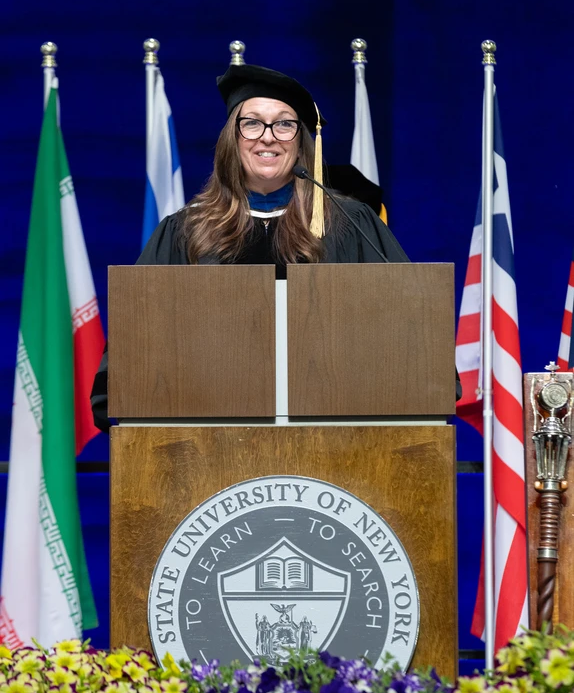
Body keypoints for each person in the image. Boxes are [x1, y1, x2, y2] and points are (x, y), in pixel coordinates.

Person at [91, 63, 411, 431]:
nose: (268, 137)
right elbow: (137, 340)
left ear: (301, 142)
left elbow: (403, 323)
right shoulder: (186, 231)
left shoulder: (348, 224)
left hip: (331, 431)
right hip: (210, 434)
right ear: (233, 138)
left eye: (284, 124)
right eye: (253, 123)